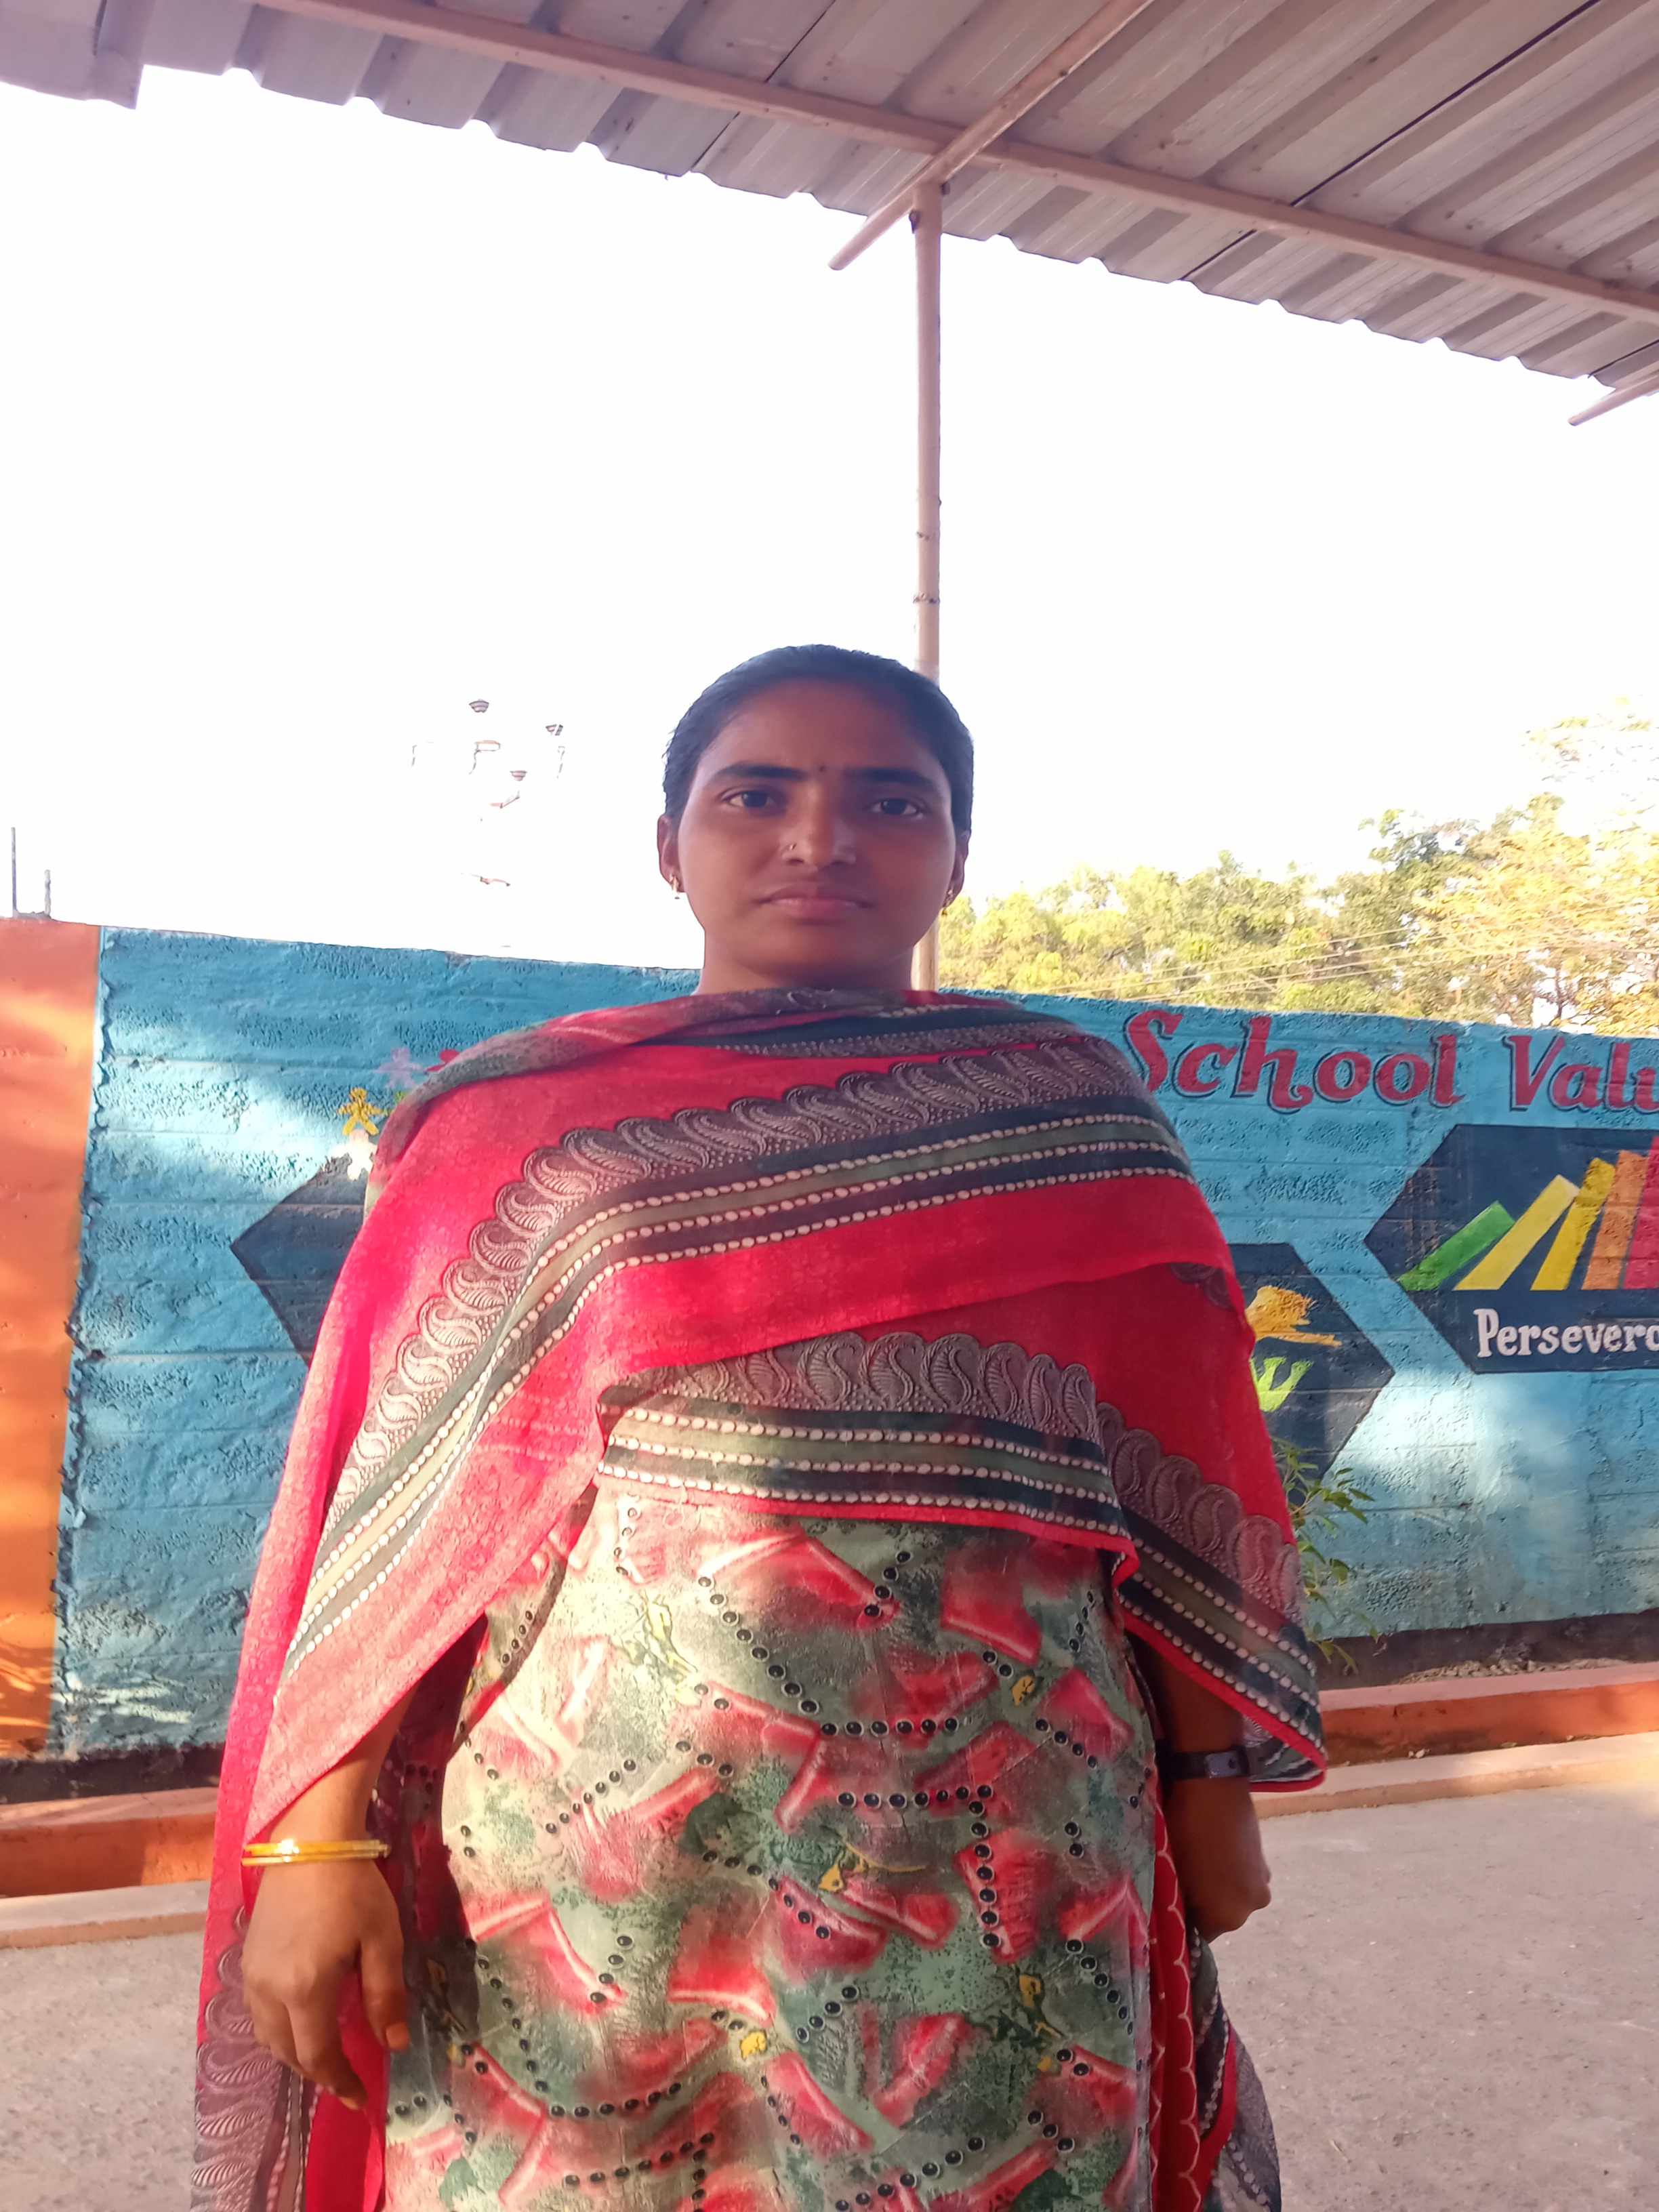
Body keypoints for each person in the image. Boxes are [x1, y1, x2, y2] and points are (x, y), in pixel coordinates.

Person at [194, 644, 1324, 2212]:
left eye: (891, 801)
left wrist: (1210, 1782)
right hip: (592, 1830)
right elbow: (396, 1517)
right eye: (756, 795)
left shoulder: (1074, 1116)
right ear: (671, 845)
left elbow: (1179, 1477)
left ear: (956, 854)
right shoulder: (512, 1126)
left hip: (1008, 1836)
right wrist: (315, 1849)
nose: (820, 838)